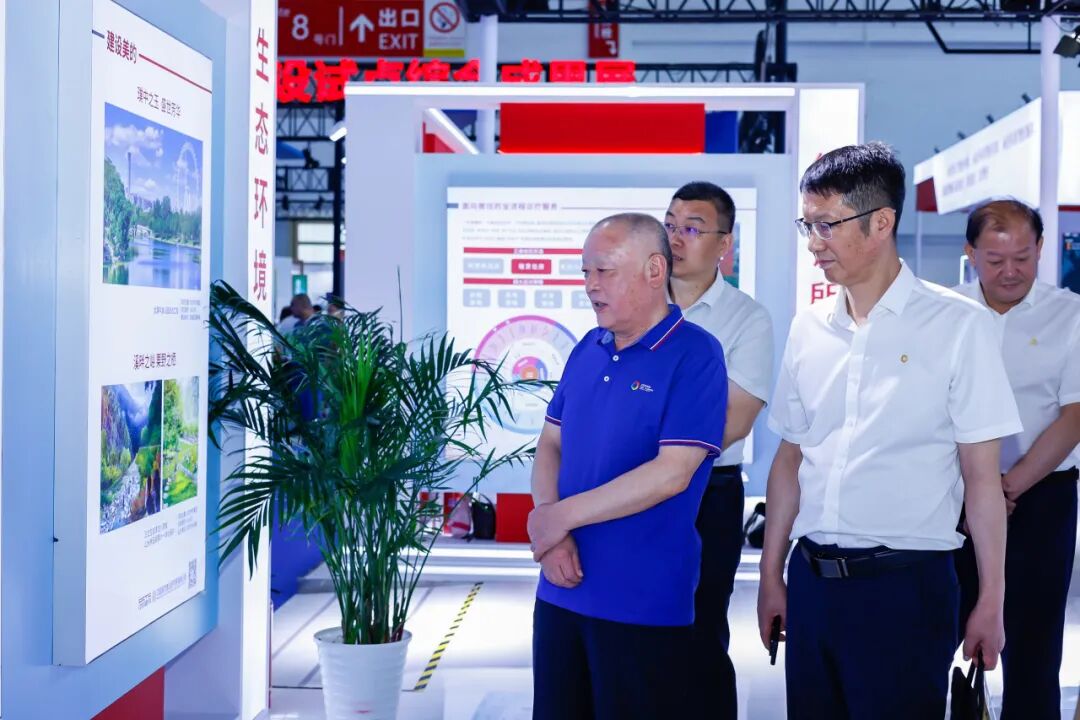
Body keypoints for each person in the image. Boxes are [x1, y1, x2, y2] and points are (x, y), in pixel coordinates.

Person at [758, 142, 1022, 719]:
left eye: (826, 225)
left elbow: (982, 480)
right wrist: (771, 574)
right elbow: (789, 461)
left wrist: (991, 600)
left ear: (881, 222)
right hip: (812, 584)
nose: (813, 243)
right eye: (807, 225)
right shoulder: (809, 328)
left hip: (905, 590)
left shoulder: (960, 326)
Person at [527, 213, 728, 719]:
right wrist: (552, 533)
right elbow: (550, 444)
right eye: (585, 272)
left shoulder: (696, 355)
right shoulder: (586, 349)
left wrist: (559, 517)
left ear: (655, 270)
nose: (591, 285)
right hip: (560, 592)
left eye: (605, 271)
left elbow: (672, 473)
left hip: (642, 603)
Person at [953, 199, 1080, 720]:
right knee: (942, 634)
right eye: (995, 259)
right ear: (970, 254)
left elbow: (1074, 414)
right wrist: (977, 492)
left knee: (1033, 648)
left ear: (1041, 249)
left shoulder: (1070, 314)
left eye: (1023, 258)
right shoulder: (947, 313)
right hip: (955, 498)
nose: (1010, 272)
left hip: (1042, 498)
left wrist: (1005, 488)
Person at [665, 181, 773, 717]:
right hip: (626, 489)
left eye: (692, 228)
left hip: (708, 493)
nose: (675, 238)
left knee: (701, 631)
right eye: (669, 225)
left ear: (724, 244)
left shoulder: (746, 319)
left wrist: (655, 458)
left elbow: (732, 420)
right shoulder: (634, 306)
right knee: (635, 633)